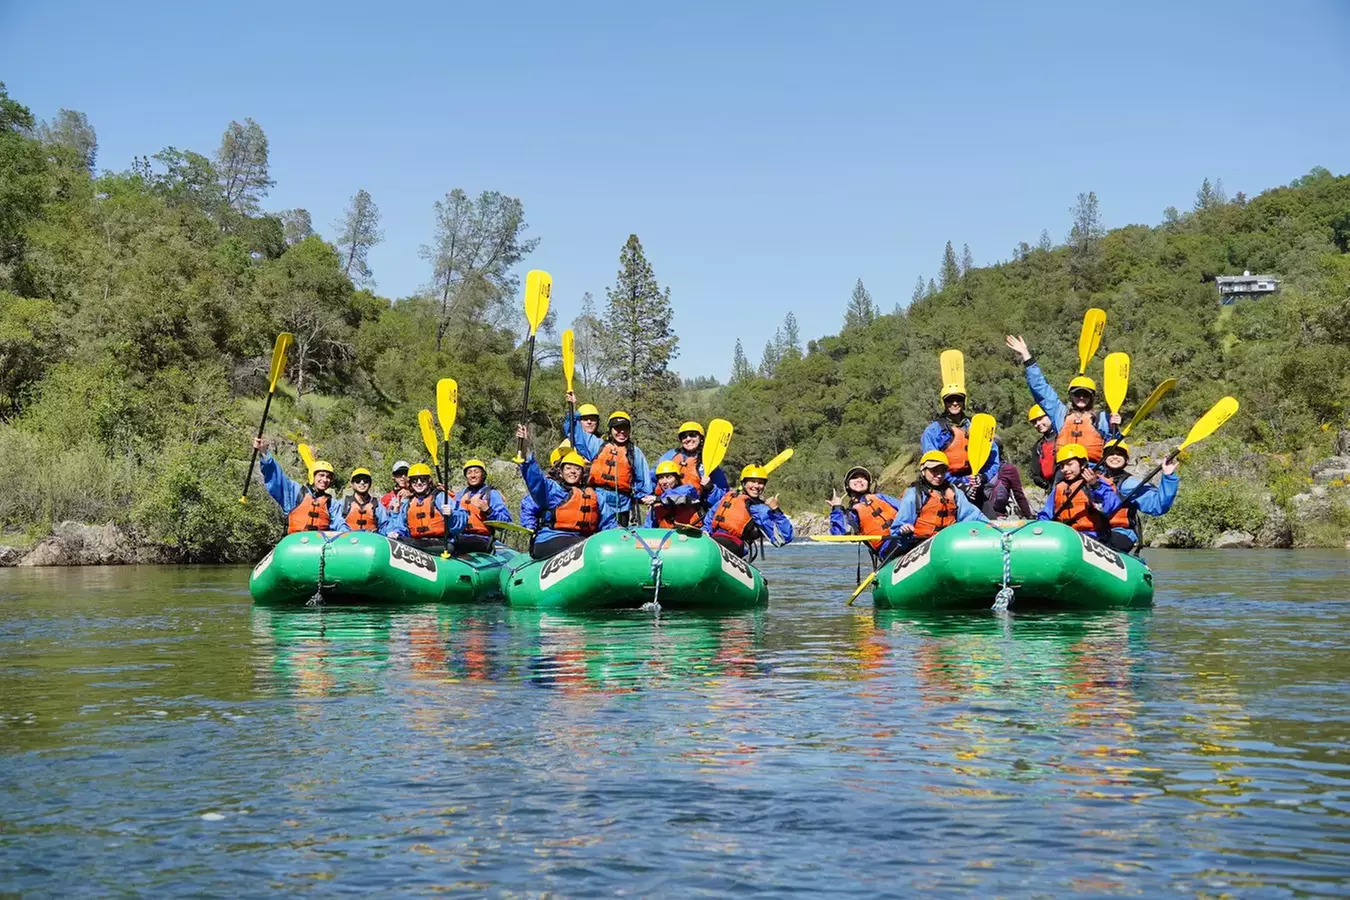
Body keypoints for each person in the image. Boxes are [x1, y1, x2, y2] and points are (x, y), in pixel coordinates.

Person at [1005, 335, 1119, 463]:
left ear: (1091, 397)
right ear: (1071, 396)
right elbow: (1040, 388)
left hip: (1094, 473)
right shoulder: (1060, 414)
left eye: (1086, 394)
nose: (1081, 397)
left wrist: (1115, 428)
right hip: (1066, 473)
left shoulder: (1103, 419)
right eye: (1077, 394)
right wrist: (1026, 356)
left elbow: (1115, 450)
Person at [516, 424, 615, 560]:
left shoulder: (596, 496)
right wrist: (526, 450)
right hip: (551, 538)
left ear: (582, 473)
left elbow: (609, 523)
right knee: (583, 548)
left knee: (589, 546)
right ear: (561, 473)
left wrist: (621, 536)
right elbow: (536, 480)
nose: (572, 472)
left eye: (577, 469)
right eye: (568, 468)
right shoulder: (552, 490)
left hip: (582, 541)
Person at [888, 451, 989, 549]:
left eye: (943, 471)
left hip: (949, 542)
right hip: (920, 544)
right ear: (923, 471)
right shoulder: (914, 494)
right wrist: (903, 530)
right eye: (934, 470)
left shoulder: (954, 492)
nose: (939, 475)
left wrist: (991, 525)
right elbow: (897, 528)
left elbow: (973, 515)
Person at [571, 410, 654, 528]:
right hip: (597, 500)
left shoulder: (635, 453)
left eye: (625, 428)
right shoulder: (597, 445)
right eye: (617, 428)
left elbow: (643, 481)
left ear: (630, 430)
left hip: (621, 504)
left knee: (618, 537)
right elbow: (575, 434)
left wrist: (645, 497)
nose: (621, 432)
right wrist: (574, 414)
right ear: (610, 430)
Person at [920, 387, 1000, 503]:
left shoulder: (976, 427)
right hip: (944, 488)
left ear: (964, 402)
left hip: (974, 487)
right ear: (944, 403)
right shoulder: (933, 431)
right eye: (950, 400)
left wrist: (982, 477)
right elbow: (930, 464)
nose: (955, 403)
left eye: (959, 399)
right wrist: (957, 483)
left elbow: (993, 459)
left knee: (989, 519)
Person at [1098, 440, 1180, 552]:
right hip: (1096, 530)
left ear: (1126, 459)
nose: (1115, 457)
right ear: (1104, 458)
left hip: (1121, 532)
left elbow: (1158, 505)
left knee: (1103, 539)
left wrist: (1168, 476)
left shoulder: (1130, 484)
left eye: (1119, 454)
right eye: (1111, 453)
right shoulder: (1093, 481)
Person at [253, 437, 341, 534]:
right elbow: (277, 477)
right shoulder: (296, 491)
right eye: (321, 475)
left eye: (328, 477)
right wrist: (264, 452)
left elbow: (340, 523)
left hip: (319, 545)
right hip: (296, 543)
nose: (324, 480)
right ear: (312, 476)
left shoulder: (332, 503)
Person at [705, 464, 793, 560]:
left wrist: (776, 510)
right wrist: (703, 535)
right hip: (714, 540)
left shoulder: (761, 510)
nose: (756, 486)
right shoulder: (728, 498)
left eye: (760, 483)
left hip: (735, 545)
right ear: (744, 484)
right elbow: (708, 521)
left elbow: (783, 538)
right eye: (752, 481)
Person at [1037, 443, 1122, 541]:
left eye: (1069, 464)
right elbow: (1046, 515)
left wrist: (1095, 486)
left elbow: (1111, 506)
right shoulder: (1059, 488)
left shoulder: (1096, 483)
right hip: (1065, 536)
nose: (1065, 469)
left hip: (1092, 536)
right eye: (1062, 466)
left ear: (1082, 464)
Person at [829, 466, 905, 561]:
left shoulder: (880, 497)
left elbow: (906, 510)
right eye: (855, 478)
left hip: (906, 537)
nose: (860, 480)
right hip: (888, 550)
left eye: (864, 478)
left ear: (868, 484)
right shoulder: (852, 514)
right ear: (847, 485)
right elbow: (839, 533)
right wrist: (836, 508)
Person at [388, 463, 468, 550]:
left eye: (423, 480)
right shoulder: (409, 503)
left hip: (441, 542)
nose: (419, 483)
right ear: (410, 483)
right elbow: (400, 526)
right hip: (417, 542)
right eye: (414, 480)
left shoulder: (439, 497)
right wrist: (396, 532)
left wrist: (452, 514)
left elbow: (462, 517)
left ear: (429, 481)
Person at [454, 459, 512, 555]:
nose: (473, 475)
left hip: (482, 539)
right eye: (469, 473)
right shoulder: (461, 495)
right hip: (460, 537)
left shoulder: (492, 494)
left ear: (483, 475)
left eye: (476, 472)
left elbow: (506, 523)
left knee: (462, 544)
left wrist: (488, 510)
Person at [657, 421, 730, 493]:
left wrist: (710, 488)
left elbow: (723, 493)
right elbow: (653, 477)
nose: (688, 439)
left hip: (696, 503)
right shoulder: (671, 455)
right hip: (666, 500)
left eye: (692, 435)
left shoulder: (708, 461)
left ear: (701, 438)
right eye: (684, 436)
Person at [648, 459, 723, 529]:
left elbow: (675, 496)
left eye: (669, 477)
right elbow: (648, 527)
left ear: (677, 479)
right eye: (661, 478)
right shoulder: (657, 503)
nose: (664, 481)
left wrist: (657, 499)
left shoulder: (688, 489)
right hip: (668, 539)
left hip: (691, 535)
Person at [520, 445, 568, 538]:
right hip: (551, 533)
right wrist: (530, 526)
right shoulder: (549, 487)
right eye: (567, 467)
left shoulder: (583, 489)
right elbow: (529, 505)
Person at [984, 439, 1033, 519]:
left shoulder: (1007, 470)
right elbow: (1019, 495)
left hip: (985, 516)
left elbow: (1019, 495)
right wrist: (1029, 517)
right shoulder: (1008, 469)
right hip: (995, 516)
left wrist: (1029, 516)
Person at [334, 467, 392, 535]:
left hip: (371, 541)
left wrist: (389, 533)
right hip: (348, 541)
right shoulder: (342, 504)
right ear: (352, 484)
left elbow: (384, 526)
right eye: (357, 480)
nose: (362, 482)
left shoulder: (377, 506)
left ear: (370, 484)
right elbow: (337, 523)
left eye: (365, 480)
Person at [1026, 404, 1057, 489]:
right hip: (1052, 488)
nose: (1038, 424)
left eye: (1040, 419)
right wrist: (1045, 485)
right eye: (1034, 422)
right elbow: (1035, 474)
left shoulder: (1063, 437)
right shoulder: (1038, 446)